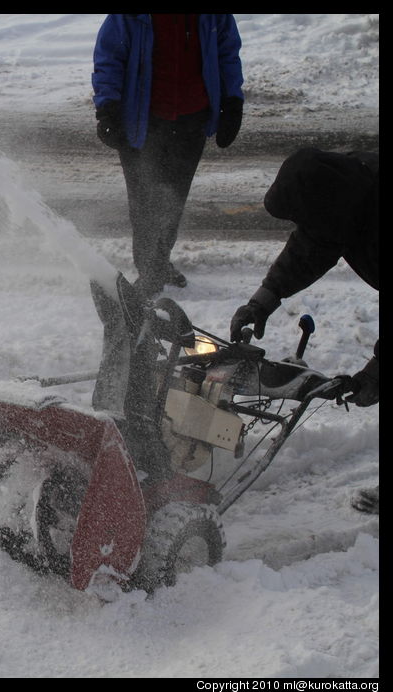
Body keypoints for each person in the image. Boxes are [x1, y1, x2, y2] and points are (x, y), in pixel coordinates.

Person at [229, 147, 379, 514]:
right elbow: (312, 245)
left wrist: (373, 377)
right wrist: (266, 297)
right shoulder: (346, 195)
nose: (305, 226)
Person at [92, 14, 244, 297]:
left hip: (191, 120)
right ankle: (150, 271)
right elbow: (109, 57)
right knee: (144, 201)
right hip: (142, 121)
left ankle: (159, 261)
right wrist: (107, 108)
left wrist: (232, 101)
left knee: (173, 198)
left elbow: (227, 53)